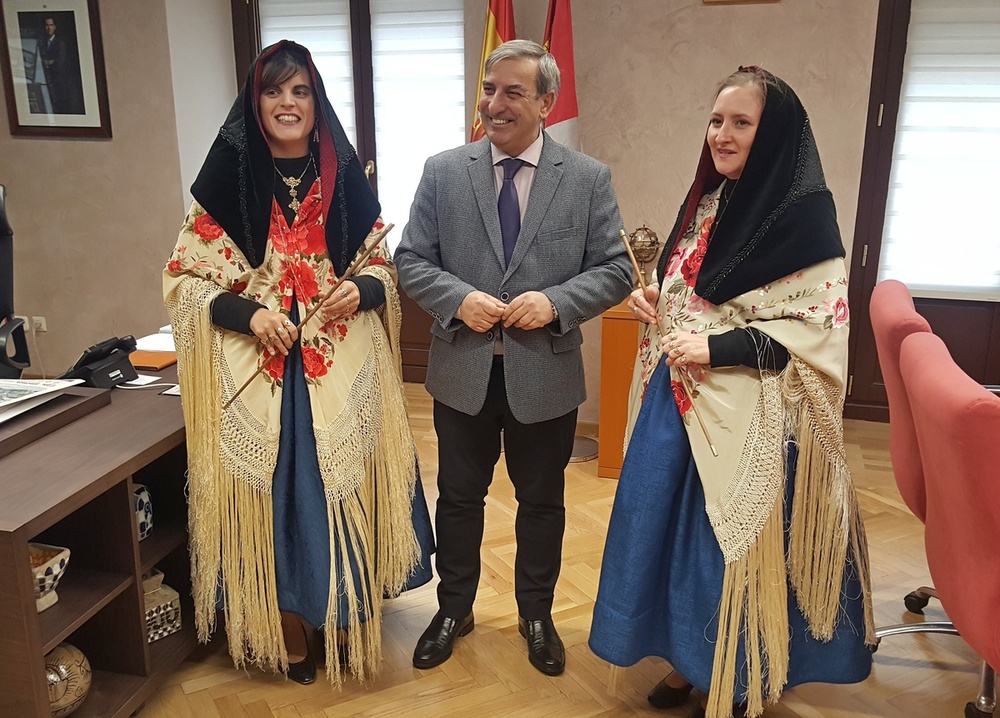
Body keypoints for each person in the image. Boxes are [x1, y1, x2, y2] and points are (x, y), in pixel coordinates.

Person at [588, 67, 876, 718]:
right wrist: (657, 300)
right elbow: (699, 289)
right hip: (681, 406)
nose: (722, 134)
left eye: (740, 123)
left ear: (771, 135)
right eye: (716, 120)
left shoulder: (806, 219)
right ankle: (689, 665)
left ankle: (741, 676)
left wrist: (718, 348)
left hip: (753, 417)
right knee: (667, 543)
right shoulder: (708, 201)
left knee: (731, 553)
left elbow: (816, 334)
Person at [163, 40, 433, 687]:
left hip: (338, 368)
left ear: (316, 104)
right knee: (278, 501)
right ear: (255, 104)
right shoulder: (225, 184)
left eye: (301, 92)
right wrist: (250, 316)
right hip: (261, 375)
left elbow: (381, 270)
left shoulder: (342, 180)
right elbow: (184, 282)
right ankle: (286, 621)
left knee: (343, 491)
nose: (288, 103)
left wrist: (360, 290)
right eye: (275, 91)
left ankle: (340, 610)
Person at [395, 39, 631, 677]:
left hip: (544, 373)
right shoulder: (443, 171)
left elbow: (615, 271)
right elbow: (410, 259)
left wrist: (555, 302)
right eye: (489, 90)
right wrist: (458, 298)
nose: (493, 105)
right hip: (461, 370)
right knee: (459, 497)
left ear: (546, 103)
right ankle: (453, 608)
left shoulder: (586, 179)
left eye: (512, 92)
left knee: (542, 501)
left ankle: (536, 614)